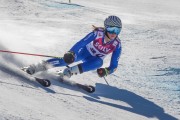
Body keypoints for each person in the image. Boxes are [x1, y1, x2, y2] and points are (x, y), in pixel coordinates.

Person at [22, 15, 122, 80]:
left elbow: (114, 66)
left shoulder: (117, 44)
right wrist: (71, 52)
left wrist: (106, 71)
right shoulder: (98, 33)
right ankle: (37, 66)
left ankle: (68, 72)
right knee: (67, 60)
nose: (114, 33)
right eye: (111, 29)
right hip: (84, 52)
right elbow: (81, 43)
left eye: (117, 30)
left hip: (93, 59)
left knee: (99, 62)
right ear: (106, 28)